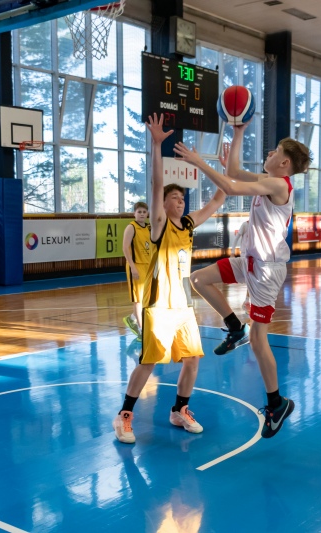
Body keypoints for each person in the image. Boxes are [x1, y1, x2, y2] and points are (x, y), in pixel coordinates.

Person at [174, 122, 311, 439]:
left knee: (260, 339)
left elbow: (231, 186)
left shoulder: (278, 185)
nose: (269, 152)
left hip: (266, 271)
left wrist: (199, 162)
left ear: (284, 162)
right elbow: (234, 171)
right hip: (249, 262)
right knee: (199, 279)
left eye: (275, 151)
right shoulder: (268, 180)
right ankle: (235, 327)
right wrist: (237, 132)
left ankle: (276, 404)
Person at [112, 114, 226, 444]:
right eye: (175, 197)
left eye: (182, 198)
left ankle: (179, 410)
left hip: (183, 307)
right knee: (148, 363)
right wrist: (156, 145)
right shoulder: (159, 225)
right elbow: (156, 183)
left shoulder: (187, 224)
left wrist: (221, 168)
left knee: (192, 361)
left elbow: (218, 199)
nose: (181, 201)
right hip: (159, 306)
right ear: (162, 205)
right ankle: (124, 416)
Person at [122, 201, 151, 341]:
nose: (142, 214)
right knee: (138, 301)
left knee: (148, 299)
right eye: (139, 212)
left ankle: (132, 318)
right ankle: (141, 330)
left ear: (147, 214)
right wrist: (132, 266)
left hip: (148, 266)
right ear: (134, 213)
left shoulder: (149, 228)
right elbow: (125, 248)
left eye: (144, 212)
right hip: (136, 266)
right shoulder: (131, 227)